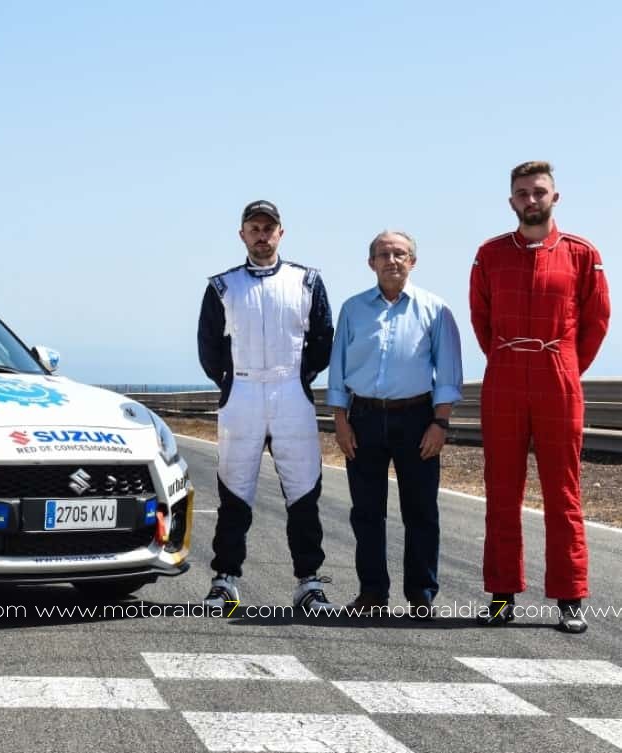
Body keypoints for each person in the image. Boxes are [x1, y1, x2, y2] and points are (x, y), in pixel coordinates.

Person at [469, 161, 611, 634]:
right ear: (511, 201)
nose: (532, 200)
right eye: (523, 193)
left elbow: (597, 322)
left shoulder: (581, 254)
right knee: (501, 488)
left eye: (539, 192)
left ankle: (570, 596)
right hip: (505, 375)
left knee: (563, 491)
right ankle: (503, 593)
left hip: (558, 377)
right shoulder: (489, 255)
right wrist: (512, 358)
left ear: (555, 197)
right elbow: (481, 321)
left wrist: (564, 365)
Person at [197, 199, 339, 614]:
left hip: (291, 392)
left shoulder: (307, 280)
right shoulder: (222, 285)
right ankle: (225, 580)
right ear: (242, 234)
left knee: (303, 491)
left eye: (268, 228)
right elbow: (208, 345)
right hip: (241, 393)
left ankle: (309, 583)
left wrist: (299, 377)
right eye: (254, 228)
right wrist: (227, 380)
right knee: (234, 490)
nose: (262, 235)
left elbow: (324, 339)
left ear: (281, 233)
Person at [327, 231, 463, 620]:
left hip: (417, 418)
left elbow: (449, 372)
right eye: (383, 254)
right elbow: (338, 369)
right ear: (371, 262)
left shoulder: (435, 309)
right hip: (364, 418)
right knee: (366, 511)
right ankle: (372, 592)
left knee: (420, 510)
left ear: (413, 262)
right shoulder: (353, 309)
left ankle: (421, 595)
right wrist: (340, 421)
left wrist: (440, 424)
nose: (392, 260)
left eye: (400, 254)